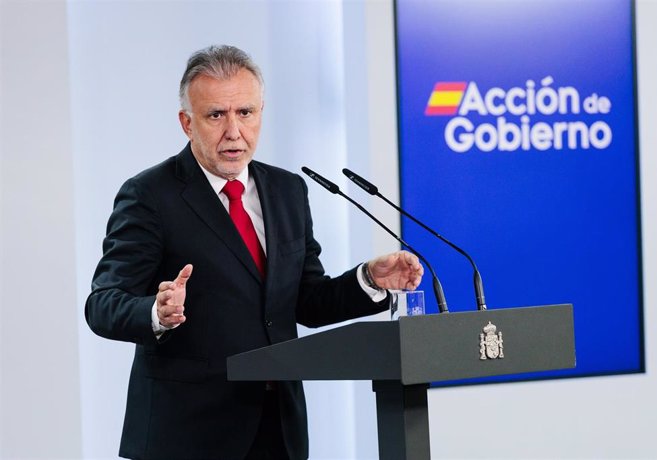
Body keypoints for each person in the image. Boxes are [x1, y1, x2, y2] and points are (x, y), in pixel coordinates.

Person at [85, 45, 423, 460]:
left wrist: (368, 281)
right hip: (187, 435)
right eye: (216, 116)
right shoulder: (150, 194)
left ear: (261, 112)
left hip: (278, 428)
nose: (234, 131)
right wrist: (156, 313)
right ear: (186, 123)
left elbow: (306, 301)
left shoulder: (286, 190)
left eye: (245, 113)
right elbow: (102, 304)